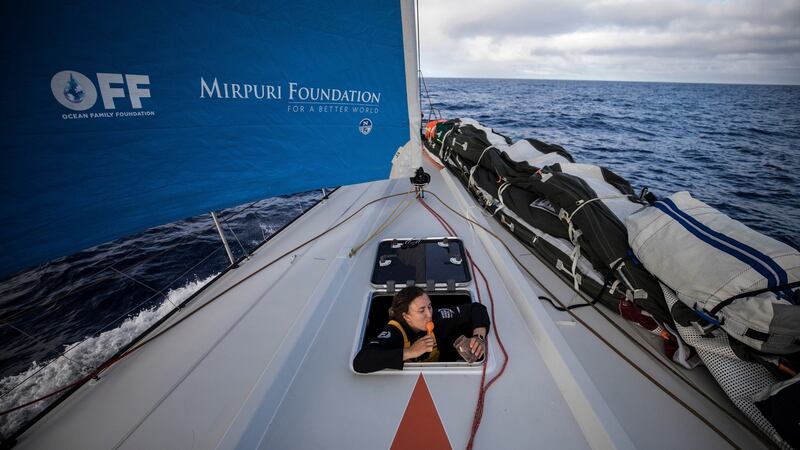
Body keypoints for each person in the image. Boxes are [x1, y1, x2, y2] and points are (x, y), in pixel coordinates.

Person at [353, 286, 490, 373]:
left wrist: (479, 337)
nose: (429, 315)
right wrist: (410, 352)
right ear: (407, 317)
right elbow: (361, 361)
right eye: (421, 311)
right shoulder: (395, 332)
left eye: (429, 307)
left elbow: (476, 308)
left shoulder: (437, 318)